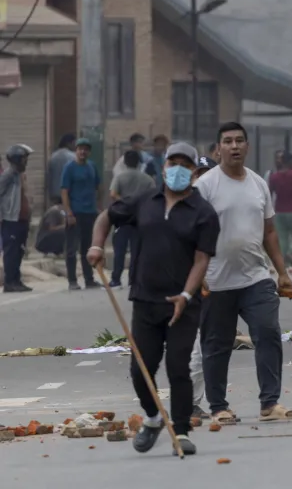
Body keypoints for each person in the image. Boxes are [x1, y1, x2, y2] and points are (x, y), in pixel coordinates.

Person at [87, 142, 219, 457]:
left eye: (185, 165)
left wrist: (186, 295)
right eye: (173, 163)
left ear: (194, 172)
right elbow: (106, 217)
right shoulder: (144, 201)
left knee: (178, 367)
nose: (178, 169)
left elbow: (202, 260)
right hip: (145, 300)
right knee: (140, 368)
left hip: (183, 306)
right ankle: (153, 417)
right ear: (163, 168)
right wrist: (96, 246)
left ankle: (182, 431)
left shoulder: (204, 213)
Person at [195, 122, 292, 425]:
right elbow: (191, 233)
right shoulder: (205, 186)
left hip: (256, 277)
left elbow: (269, 232)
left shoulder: (258, 184)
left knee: (268, 332)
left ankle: (270, 402)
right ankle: (218, 406)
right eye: (228, 141)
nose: (234, 146)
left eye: (240, 140)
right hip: (216, 280)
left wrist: (282, 273)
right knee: (216, 344)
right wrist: (195, 273)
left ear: (247, 146)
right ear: (218, 149)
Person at [188, 155, 219, 420]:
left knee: (212, 344)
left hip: (223, 283)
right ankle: (191, 402)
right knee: (197, 346)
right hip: (195, 285)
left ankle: (214, 400)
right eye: (199, 174)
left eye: (207, 173)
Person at [108, 150, 157, 288]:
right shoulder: (147, 179)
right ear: (139, 162)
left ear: (124, 162)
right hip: (140, 218)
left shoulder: (119, 177)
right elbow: (153, 195)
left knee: (119, 250)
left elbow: (113, 194)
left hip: (122, 218)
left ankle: (116, 279)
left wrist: (124, 202)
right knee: (137, 250)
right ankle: (133, 279)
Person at [61, 138, 102, 290]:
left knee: (87, 248)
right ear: (76, 150)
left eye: (86, 149)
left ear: (89, 152)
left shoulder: (92, 166)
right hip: (75, 212)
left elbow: (98, 186)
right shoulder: (69, 167)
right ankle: (72, 281)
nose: (83, 152)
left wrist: (98, 206)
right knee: (71, 249)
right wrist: (68, 212)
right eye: (80, 149)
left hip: (89, 212)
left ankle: (89, 279)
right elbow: (64, 191)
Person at [0, 144, 35, 293]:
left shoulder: (20, 176)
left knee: (19, 251)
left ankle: (16, 280)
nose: (26, 161)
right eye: (24, 158)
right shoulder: (8, 176)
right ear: (16, 159)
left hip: (22, 220)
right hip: (11, 220)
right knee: (11, 252)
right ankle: (9, 282)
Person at [268, 152, 292, 269]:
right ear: (290, 162)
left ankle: (284, 261)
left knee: (282, 237)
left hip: (279, 211)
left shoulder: (274, 177)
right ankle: (291, 252)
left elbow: (269, 193)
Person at [48, 134, 76, 205]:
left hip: (54, 194)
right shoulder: (72, 156)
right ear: (69, 143)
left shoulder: (53, 156)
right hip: (68, 193)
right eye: (74, 143)